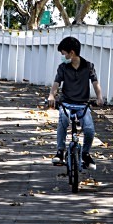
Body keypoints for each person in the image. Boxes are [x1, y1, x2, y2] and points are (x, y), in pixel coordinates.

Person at [47, 36, 103, 170]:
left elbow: (95, 83)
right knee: (63, 122)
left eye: (63, 53)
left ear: (71, 53)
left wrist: (99, 97)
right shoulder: (63, 67)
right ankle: (60, 151)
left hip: (83, 105)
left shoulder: (88, 66)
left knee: (89, 129)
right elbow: (56, 84)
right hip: (66, 103)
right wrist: (51, 96)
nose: (62, 56)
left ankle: (85, 153)